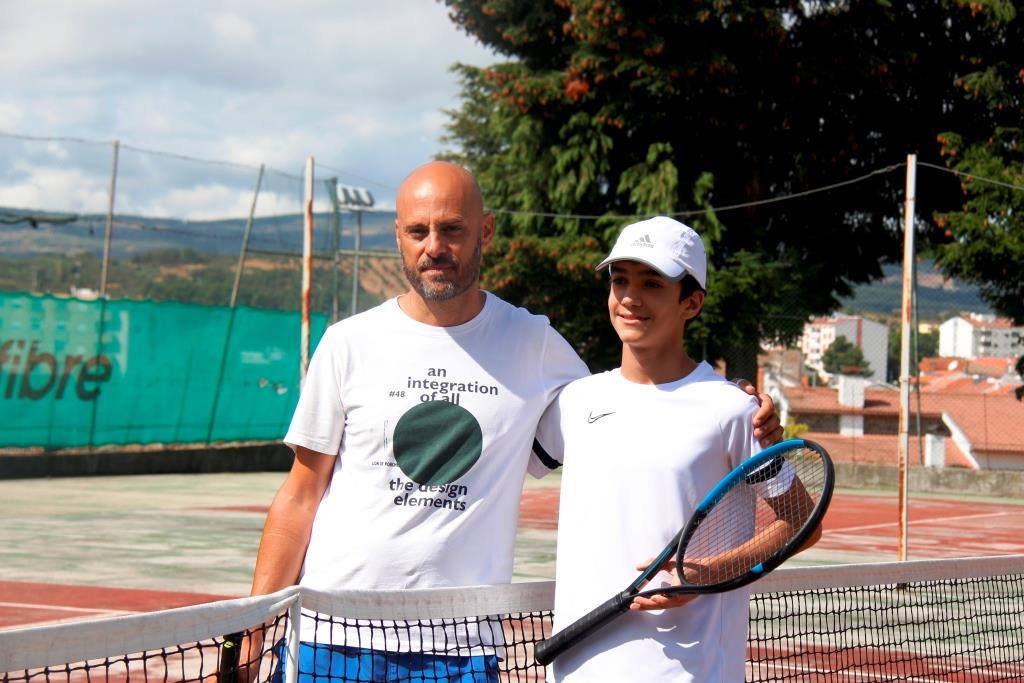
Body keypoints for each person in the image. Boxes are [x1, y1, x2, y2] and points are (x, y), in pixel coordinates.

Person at [241, 163, 783, 681]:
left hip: (459, 646)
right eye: (418, 230)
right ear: (398, 236)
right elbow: (300, 496)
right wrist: (253, 626)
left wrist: (728, 399)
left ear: (486, 231)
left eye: (452, 229)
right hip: (329, 635)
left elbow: (637, 399)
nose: (435, 247)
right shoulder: (347, 343)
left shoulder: (536, 344)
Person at [539, 216, 819, 682]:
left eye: (652, 283)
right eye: (620, 280)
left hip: (688, 673)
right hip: (577, 669)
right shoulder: (575, 401)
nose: (630, 297)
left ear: (691, 302)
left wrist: (711, 573)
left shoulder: (733, 410)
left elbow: (803, 522)